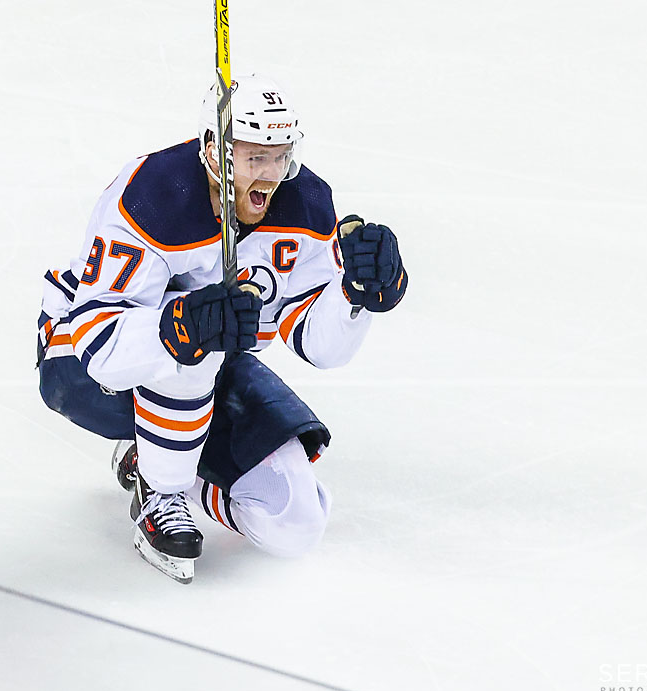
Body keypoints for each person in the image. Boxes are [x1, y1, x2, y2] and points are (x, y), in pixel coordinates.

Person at [36, 74, 408, 583]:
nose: (274, 173)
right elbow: (101, 347)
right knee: (196, 341)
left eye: (281, 155)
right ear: (216, 150)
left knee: (295, 522)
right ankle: (162, 493)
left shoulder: (306, 204)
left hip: (209, 365)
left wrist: (355, 295)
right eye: (257, 157)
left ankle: (166, 469)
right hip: (80, 359)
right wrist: (184, 329)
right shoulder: (154, 195)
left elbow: (319, 345)